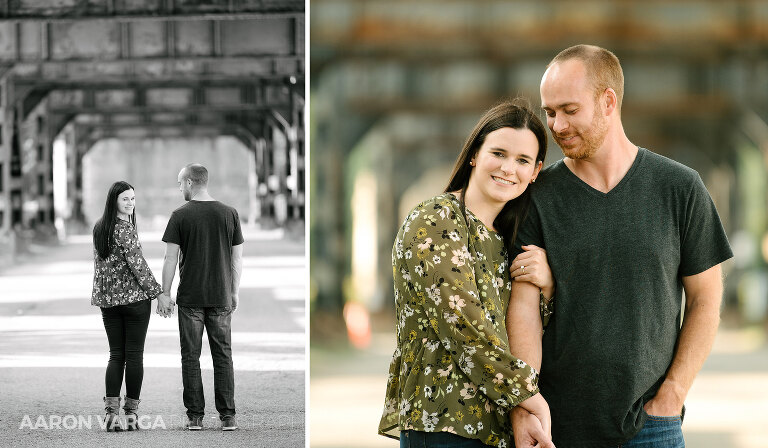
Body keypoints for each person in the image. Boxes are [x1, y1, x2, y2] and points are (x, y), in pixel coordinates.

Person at [507, 44, 733, 448]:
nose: (556, 126)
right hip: (559, 425)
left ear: (608, 102)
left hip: (652, 425)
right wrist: (526, 406)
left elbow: (706, 299)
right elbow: (522, 308)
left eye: (569, 110)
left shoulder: (680, 188)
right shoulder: (536, 197)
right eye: (550, 112)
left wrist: (673, 394)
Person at [378, 100, 557, 447]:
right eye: (499, 153)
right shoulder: (435, 219)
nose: (509, 168)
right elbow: (464, 327)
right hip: (444, 425)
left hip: (498, 427)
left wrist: (547, 289)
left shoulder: (506, 242)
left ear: (535, 171)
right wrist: (530, 398)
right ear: (475, 153)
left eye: (522, 160)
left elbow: (522, 333)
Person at [160, 163, 244, 431]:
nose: (179, 188)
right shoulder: (229, 214)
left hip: (191, 299)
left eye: (179, 183)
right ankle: (227, 416)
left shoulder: (180, 215)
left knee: (190, 357)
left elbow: (170, 258)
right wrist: (233, 292)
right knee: (223, 356)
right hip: (221, 296)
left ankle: (195, 416)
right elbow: (236, 259)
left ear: (188, 183)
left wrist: (165, 292)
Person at [91, 181, 173, 432]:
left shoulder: (99, 228)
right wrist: (159, 293)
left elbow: (101, 268)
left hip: (110, 303)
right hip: (134, 301)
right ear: (113, 200)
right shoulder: (125, 229)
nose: (130, 203)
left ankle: (111, 415)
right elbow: (138, 264)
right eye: (125, 199)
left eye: (133, 199)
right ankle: (131, 414)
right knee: (134, 355)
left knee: (116, 355)